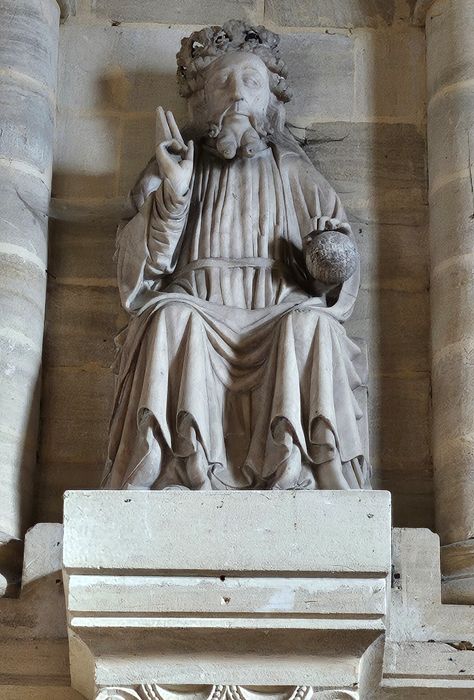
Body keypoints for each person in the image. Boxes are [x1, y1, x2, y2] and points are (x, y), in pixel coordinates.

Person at [102, 21, 371, 491]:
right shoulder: (176, 166)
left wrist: (329, 259)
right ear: (202, 100)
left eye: (251, 82)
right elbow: (143, 269)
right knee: (171, 315)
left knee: (313, 324)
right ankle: (181, 463)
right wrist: (175, 194)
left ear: (269, 100)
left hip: (278, 309)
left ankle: (314, 459)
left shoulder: (296, 172)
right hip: (200, 306)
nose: (238, 94)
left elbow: (335, 271)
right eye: (223, 83)